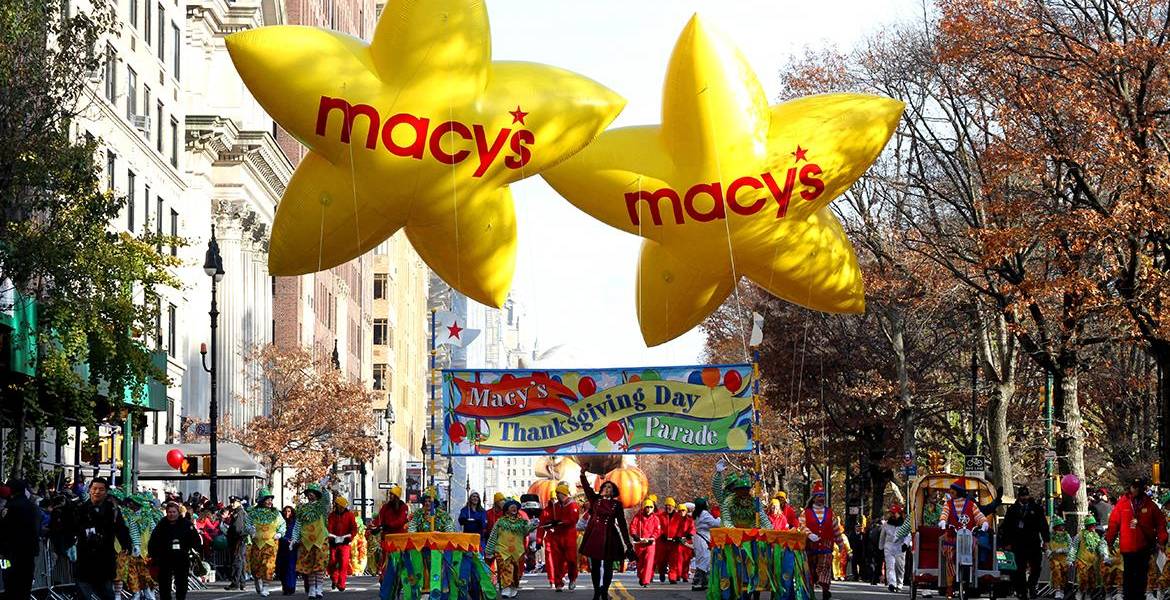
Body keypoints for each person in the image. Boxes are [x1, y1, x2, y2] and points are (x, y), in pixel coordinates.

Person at [578, 470, 636, 600]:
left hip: (609, 537)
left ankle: (604, 590)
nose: (606, 488)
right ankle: (596, 592)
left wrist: (628, 543)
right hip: (594, 536)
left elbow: (622, 524)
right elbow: (587, 488)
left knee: (608, 566)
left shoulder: (617, 505)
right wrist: (582, 474)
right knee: (595, 566)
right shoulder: (595, 500)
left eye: (609, 487)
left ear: (613, 491)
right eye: (605, 486)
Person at [1106, 478, 1167, 600]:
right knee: (1129, 575)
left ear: (1142, 488)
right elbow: (1113, 523)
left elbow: (1161, 523)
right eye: (1134, 487)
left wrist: (1162, 540)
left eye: (1138, 487)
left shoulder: (1150, 504)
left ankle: (1139, 596)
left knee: (1141, 576)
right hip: (1127, 547)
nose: (1136, 489)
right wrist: (1110, 541)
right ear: (1131, 487)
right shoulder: (1122, 504)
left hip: (1144, 546)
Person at [75, 477, 133, 600]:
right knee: (84, 594)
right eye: (94, 488)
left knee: (107, 593)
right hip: (85, 559)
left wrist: (127, 545)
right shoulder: (80, 509)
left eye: (101, 489)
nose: (97, 492)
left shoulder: (113, 510)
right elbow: (72, 528)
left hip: (105, 558)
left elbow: (121, 529)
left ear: (106, 492)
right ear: (89, 490)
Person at [938, 477, 990, 600]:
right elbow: (944, 514)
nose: (950, 492)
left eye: (953, 490)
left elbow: (979, 516)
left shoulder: (971, 505)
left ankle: (972, 575)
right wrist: (943, 521)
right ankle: (950, 586)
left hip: (968, 537)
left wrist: (983, 523)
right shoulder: (948, 504)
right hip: (953, 536)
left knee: (975, 549)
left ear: (958, 491)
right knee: (949, 554)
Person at [1002, 487, 1051, 600]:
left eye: (1026, 495)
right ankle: (1022, 591)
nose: (1024, 498)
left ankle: (1032, 585)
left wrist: (1046, 540)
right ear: (1018, 496)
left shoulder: (1036, 508)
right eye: (1022, 496)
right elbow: (1007, 527)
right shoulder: (1013, 509)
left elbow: (1043, 525)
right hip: (1018, 543)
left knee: (1036, 566)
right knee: (1019, 569)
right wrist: (1007, 542)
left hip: (1033, 541)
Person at [802, 481, 848, 600]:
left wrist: (841, 545)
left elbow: (836, 529)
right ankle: (811, 592)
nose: (821, 498)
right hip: (810, 547)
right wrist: (809, 534)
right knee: (811, 571)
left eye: (822, 496)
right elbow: (801, 526)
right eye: (819, 496)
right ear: (814, 498)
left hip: (826, 547)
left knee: (824, 568)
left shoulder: (830, 513)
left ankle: (825, 590)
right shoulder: (806, 513)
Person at [0, 479, 43, 600]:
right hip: (29, 553)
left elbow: (4, 529)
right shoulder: (33, 507)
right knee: (25, 585)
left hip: (11, 553)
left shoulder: (11, 507)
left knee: (10, 583)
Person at [486, 499, 538, 598]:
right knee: (505, 568)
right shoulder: (500, 522)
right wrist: (489, 550)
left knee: (516, 572)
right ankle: (506, 587)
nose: (514, 508)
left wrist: (533, 525)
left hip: (517, 551)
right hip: (502, 550)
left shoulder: (521, 522)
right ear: (506, 510)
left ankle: (513, 586)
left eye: (515, 507)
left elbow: (526, 531)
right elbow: (493, 536)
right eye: (511, 507)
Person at [149, 502, 201, 600]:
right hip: (165, 558)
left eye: (174, 512)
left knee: (181, 582)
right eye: (169, 512)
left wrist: (193, 552)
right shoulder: (162, 524)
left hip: (181, 557)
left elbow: (195, 540)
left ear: (178, 512)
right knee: (164, 583)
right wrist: (153, 555)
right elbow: (153, 540)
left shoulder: (186, 524)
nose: (171, 514)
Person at [292, 483, 332, 600]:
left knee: (319, 565)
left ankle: (319, 588)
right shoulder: (302, 508)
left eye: (313, 492)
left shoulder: (322, 507)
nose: (310, 494)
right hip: (306, 541)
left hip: (321, 540)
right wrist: (294, 538)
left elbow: (327, 500)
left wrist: (324, 488)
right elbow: (298, 524)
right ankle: (312, 589)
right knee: (309, 565)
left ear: (317, 494)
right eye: (309, 492)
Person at [539, 482, 580, 591]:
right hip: (557, 536)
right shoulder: (556, 506)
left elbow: (573, 519)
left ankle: (572, 578)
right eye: (556, 493)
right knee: (557, 561)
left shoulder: (572, 505)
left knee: (571, 560)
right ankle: (558, 583)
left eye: (558, 493)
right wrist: (550, 523)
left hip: (569, 537)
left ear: (564, 493)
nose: (557, 495)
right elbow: (550, 519)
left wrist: (560, 522)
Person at [244, 488, 286, 597]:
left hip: (271, 544)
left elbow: (282, 524)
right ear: (261, 500)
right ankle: (257, 580)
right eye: (267, 499)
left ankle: (266, 587)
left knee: (268, 565)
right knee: (256, 566)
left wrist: (280, 533)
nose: (269, 502)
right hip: (257, 544)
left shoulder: (276, 513)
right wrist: (251, 530)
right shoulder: (253, 513)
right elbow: (247, 524)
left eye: (271, 499)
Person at [712, 460, 771, 528]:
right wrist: (718, 474)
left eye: (746, 489)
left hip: (750, 532)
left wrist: (769, 529)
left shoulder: (755, 502)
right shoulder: (727, 501)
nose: (744, 492)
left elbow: (763, 518)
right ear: (736, 490)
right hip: (730, 532)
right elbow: (727, 520)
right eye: (741, 489)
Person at [1068, 514, 1109, 600]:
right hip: (1082, 560)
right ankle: (1080, 591)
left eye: (1094, 525)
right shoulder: (1080, 535)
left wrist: (1104, 554)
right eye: (1092, 525)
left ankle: (1088, 593)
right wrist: (1071, 559)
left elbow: (1100, 546)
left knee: (1092, 580)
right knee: (1082, 578)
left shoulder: (1096, 536)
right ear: (1087, 526)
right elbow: (1074, 547)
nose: (1094, 526)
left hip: (1092, 562)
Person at [370, 486, 408, 574]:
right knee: (386, 559)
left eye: (392, 494)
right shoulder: (385, 507)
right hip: (387, 537)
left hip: (399, 538)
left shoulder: (403, 507)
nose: (390, 496)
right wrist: (374, 527)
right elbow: (379, 519)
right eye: (390, 494)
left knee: (399, 559)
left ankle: (399, 577)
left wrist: (387, 525)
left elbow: (401, 520)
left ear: (397, 496)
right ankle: (385, 577)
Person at [326, 495, 357, 591]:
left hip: (345, 542)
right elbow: (329, 528)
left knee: (344, 563)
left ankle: (341, 583)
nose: (340, 508)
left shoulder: (350, 515)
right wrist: (330, 537)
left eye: (342, 506)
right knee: (332, 561)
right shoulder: (331, 515)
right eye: (339, 505)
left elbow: (354, 528)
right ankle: (334, 578)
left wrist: (350, 537)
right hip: (333, 542)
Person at [629, 498, 662, 587]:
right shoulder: (637, 517)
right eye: (647, 507)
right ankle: (641, 576)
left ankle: (645, 580)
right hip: (639, 543)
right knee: (640, 562)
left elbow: (657, 530)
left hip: (650, 544)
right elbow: (632, 527)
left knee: (649, 562)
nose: (649, 509)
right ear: (644, 507)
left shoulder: (655, 518)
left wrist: (652, 538)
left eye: (651, 507)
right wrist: (634, 535)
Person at [689, 498, 719, 592]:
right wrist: (719, 517)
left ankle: (704, 582)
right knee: (704, 560)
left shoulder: (698, 513)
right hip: (703, 540)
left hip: (700, 539)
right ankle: (698, 582)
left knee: (702, 560)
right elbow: (716, 524)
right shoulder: (704, 514)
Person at [879, 504, 909, 592]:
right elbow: (882, 536)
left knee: (899, 566)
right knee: (890, 566)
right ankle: (892, 583)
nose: (892, 515)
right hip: (889, 547)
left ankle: (899, 584)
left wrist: (905, 544)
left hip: (900, 547)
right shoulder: (886, 524)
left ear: (899, 514)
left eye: (894, 513)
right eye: (891, 513)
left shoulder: (904, 525)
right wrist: (880, 547)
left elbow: (908, 536)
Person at [224, 498, 249, 590]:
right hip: (239, 540)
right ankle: (242, 582)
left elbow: (237, 528)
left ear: (239, 502)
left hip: (238, 540)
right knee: (240, 561)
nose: (232, 504)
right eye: (231, 502)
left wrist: (231, 534)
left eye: (233, 502)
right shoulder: (238, 512)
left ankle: (235, 583)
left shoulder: (239, 513)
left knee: (237, 561)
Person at [276, 506, 298, 596]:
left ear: (292, 513)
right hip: (282, 547)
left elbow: (297, 532)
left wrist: (294, 541)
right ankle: (285, 587)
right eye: (285, 511)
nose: (287, 513)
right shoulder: (281, 522)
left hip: (292, 547)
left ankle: (291, 586)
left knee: (291, 567)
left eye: (289, 511)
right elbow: (278, 532)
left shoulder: (295, 522)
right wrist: (285, 540)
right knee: (282, 568)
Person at [1048, 516, 1071, 600]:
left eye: (1063, 525)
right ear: (1056, 527)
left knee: (1064, 574)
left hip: (1064, 559)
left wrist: (1063, 550)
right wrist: (1048, 552)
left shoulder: (1067, 536)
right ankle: (1058, 590)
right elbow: (1046, 545)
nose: (1062, 527)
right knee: (1056, 572)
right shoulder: (1051, 536)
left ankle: (1062, 590)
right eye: (1060, 525)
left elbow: (1070, 546)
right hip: (1054, 559)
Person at [676, 503, 695, 583]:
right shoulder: (675, 520)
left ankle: (685, 575)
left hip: (687, 541)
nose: (681, 512)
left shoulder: (690, 520)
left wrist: (690, 534)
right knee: (678, 560)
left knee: (687, 560)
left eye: (683, 510)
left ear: (686, 511)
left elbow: (693, 528)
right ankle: (678, 575)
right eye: (680, 511)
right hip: (678, 541)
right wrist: (676, 537)